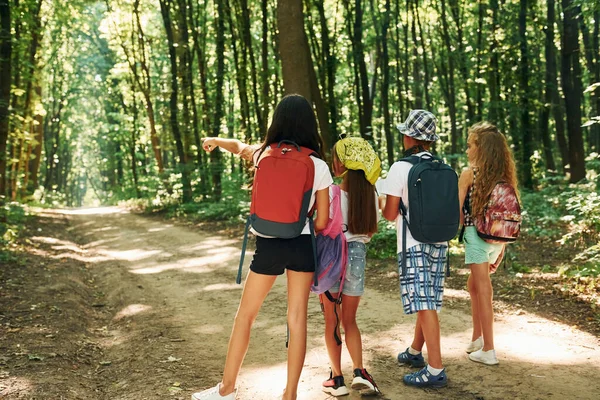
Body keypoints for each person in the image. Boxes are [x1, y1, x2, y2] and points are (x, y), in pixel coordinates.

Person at [191, 94, 333, 400]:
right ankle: (290, 394)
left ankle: (226, 389)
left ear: (277, 120)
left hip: (268, 244)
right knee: (296, 320)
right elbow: (323, 221)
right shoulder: (317, 164)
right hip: (302, 243)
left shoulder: (262, 155)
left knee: (246, 315)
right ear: (310, 124)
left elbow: (240, 147)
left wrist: (215, 139)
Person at [379, 109, 448, 388]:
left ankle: (435, 369)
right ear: (430, 140)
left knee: (423, 302)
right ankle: (416, 352)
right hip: (439, 242)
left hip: (412, 244)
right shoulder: (442, 166)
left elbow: (389, 214)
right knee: (427, 299)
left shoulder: (400, 168)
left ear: (408, 136)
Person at [320, 137, 382, 397]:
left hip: (331, 256)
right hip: (357, 256)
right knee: (350, 321)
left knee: (331, 321)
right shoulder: (371, 194)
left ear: (341, 163)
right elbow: (369, 233)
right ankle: (359, 371)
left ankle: (337, 379)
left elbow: (321, 224)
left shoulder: (332, 192)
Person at [459, 121, 519, 366]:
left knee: (482, 290)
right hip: (497, 238)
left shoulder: (469, 174)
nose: (467, 150)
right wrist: (500, 243)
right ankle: (476, 338)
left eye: (470, 145)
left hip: (476, 236)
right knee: (474, 285)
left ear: (481, 148)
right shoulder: (504, 176)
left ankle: (489, 350)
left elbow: (458, 213)